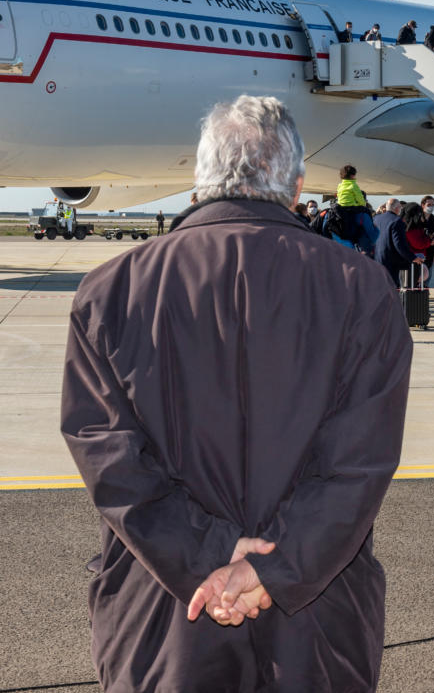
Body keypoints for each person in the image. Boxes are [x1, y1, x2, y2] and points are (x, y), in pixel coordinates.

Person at [61, 95, 412, 691]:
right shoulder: (363, 290)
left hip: (164, 608)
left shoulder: (109, 292)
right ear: (297, 186)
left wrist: (212, 553)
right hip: (316, 614)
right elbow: (358, 467)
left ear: (200, 180)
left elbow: (111, 461)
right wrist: (271, 568)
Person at [375, 198, 422, 287]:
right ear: (397, 209)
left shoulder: (377, 218)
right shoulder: (397, 221)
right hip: (391, 261)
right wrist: (412, 258)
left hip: (378, 258)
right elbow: (399, 244)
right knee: (392, 288)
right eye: (400, 208)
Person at [336, 164, 379, 253]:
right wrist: (363, 204)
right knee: (366, 212)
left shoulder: (340, 185)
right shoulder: (353, 185)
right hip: (352, 207)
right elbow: (360, 198)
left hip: (341, 207)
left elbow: (339, 196)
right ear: (352, 175)